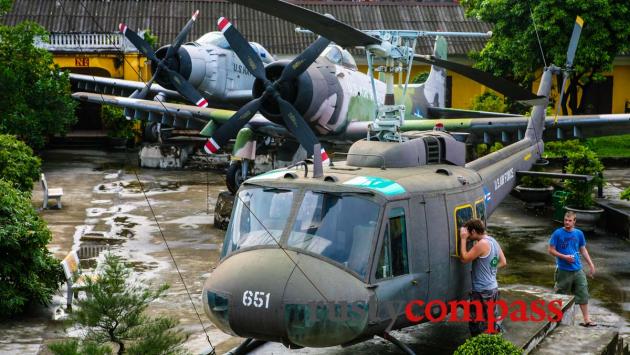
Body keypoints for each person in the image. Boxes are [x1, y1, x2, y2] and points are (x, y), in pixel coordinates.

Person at [548, 210, 596, 327]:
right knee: (560, 295)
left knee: (583, 293)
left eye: (570, 221)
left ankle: (587, 320)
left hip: (577, 269)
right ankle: (557, 320)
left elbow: (583, 249)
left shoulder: (579, 233)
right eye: (565, 220)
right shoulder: (558, 233)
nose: (567, 222)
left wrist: (591, 264)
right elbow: (551, 250)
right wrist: (564, 257)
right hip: (563, 270)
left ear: (574, 221)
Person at [460, 218, 507, 336]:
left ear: (474, 231)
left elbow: (464, 258)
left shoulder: (482, 244)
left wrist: (463, 239)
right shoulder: (492, 241)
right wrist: (490, 268)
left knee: (476, 324)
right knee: (490, 320)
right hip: (493, 288)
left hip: (482, 291)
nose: (469, 237)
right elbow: (503, 262)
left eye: (469, 234)